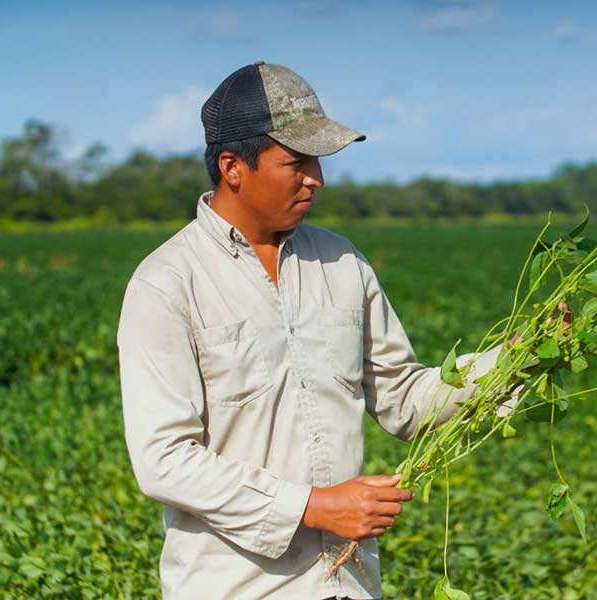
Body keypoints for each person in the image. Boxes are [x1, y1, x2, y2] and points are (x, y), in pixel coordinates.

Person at [116, 61, 502, 599]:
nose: (316, 180)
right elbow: (164, 460)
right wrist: (316, 506)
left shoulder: (342, 262)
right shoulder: (167, 284)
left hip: (348, 585)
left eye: (318, 162)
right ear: (232, 166)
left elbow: (405, 398)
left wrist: (518, 360)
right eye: (296, 162)